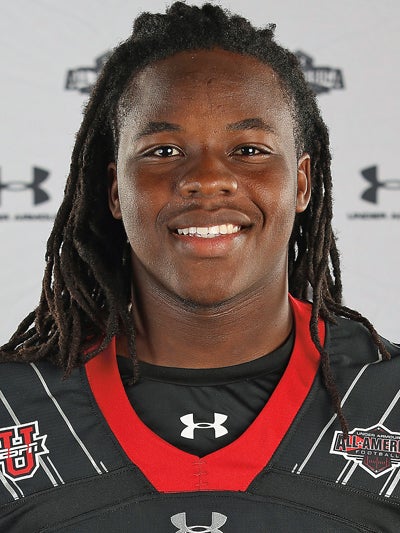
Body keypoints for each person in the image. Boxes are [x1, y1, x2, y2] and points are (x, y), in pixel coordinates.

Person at [0, 2, 399, 531]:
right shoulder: (13, 407)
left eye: (250, 148)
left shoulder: (387, 400)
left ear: (302, 183)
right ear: (115, 188)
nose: (207, 179)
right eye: (163, 150)